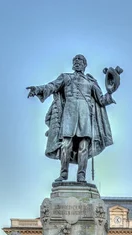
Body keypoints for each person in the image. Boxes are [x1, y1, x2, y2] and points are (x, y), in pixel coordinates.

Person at [27, 54, 117, 183]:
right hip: (69, 114)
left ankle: (81, 175)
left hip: (85, 115)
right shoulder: (66, 77)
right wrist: (37, 89)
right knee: (65, 144)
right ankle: (63, 174)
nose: (77, 62)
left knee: (84, 146)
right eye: (75, 61)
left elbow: (101, 100)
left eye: (80, 61)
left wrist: (110, 91)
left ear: (85, 65)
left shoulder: (91, 81)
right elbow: (51, 86)